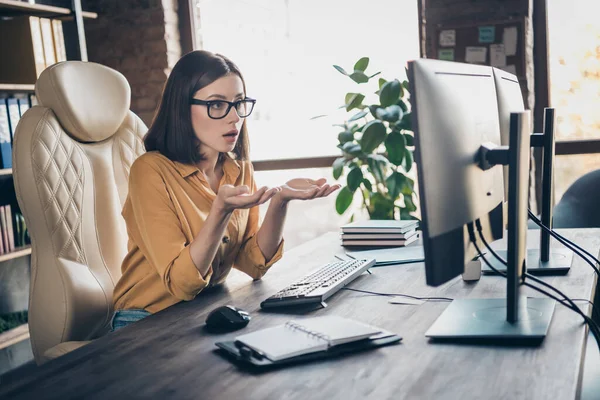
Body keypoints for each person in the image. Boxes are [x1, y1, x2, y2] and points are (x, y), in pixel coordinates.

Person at [110, 50, 340, 331]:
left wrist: (280, 199)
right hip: (145, 320)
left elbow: (253, 264)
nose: (234, 118)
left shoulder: (237, 168)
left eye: (239, 103)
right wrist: (220, 210)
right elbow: (182, 284)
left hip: (204, 311)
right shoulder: (150, 170)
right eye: (217, 105)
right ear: (182, 108)